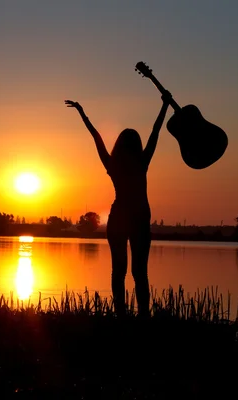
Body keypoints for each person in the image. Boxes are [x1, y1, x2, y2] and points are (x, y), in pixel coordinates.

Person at [64, 93, 171, 318]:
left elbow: (96, 136)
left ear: (119, 145)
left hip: (121, 218)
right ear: (137, 145)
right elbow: (155, 132)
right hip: (138, 217)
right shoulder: (142, 161)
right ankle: (142, 316)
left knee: (119, 271)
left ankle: (121, 315)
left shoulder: (112, 163)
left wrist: (82, 112)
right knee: (140, 273)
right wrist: (164, 105)